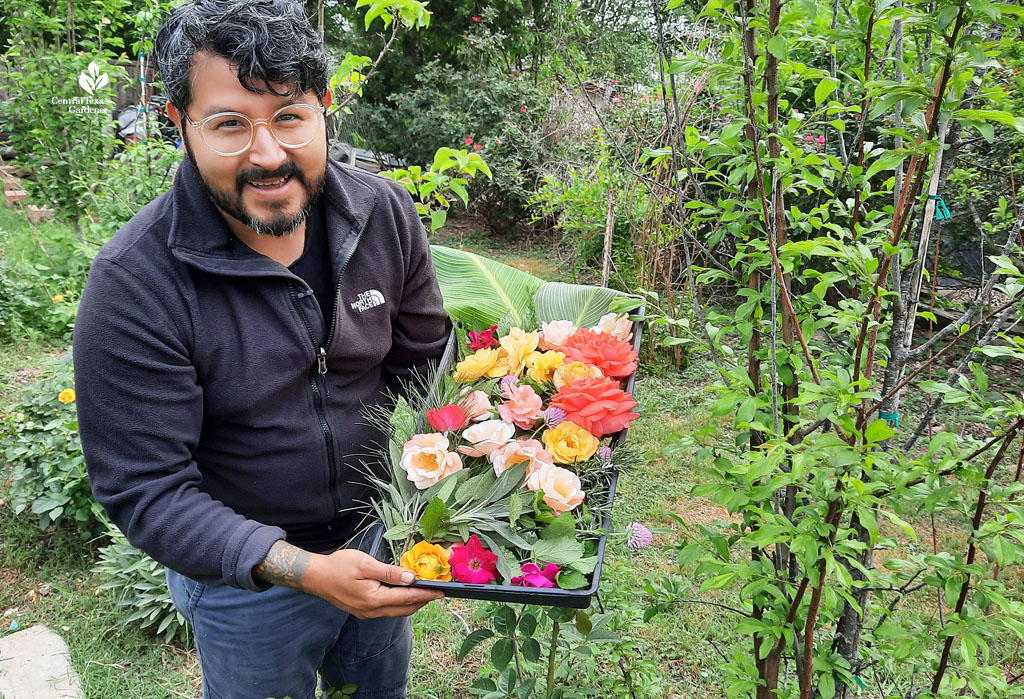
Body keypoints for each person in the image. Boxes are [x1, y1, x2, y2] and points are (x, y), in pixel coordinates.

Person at [72, 1, 449, 697]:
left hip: (378, 534)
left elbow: (424, 366)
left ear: (325, 109)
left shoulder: (384, 214)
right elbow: (146, 489)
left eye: (289, 116)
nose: (268, 153)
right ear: (178, 124)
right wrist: (300, 567)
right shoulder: (136, 281)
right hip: (245, 579)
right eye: (229, 124)